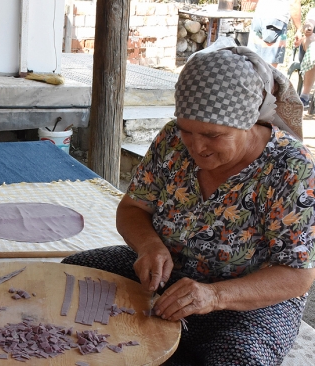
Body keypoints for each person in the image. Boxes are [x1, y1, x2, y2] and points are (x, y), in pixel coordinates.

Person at [63, 47, 315, 365]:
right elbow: (132, 208)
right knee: (73, 274)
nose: (196, 146)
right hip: (168, 276)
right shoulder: (171, 140)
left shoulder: (291, 166)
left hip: (248, 302)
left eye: (213, 135)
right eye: (187, 130)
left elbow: (297, 275)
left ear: (249, 121)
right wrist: (149, 246)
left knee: (238, 358)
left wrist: (215, 295)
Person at [248, 0, 302, 68]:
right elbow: (294, 2)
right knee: (270, 66)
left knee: (253, 61)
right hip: (275, 20)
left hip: (258, 18)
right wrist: (299, 29)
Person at [297, 9, 315, 106]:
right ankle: (305, 95)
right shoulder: (313, 11)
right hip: (309, 52)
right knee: (312, 42)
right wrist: (308, 28)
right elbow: (309, 23)